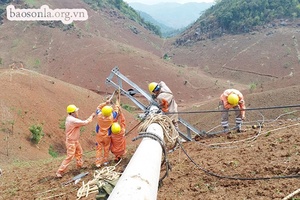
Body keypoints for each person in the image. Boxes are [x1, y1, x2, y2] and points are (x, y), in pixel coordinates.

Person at [56, 105, 95, 178]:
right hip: (71, 141)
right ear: (73, 112)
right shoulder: (73, 120)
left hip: (74, 140)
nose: (77, 112)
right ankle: (60, 171)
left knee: (79, 152)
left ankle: (79, 166)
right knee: (70, 156)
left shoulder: (70, 118)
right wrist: (92, 116)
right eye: (76, 111)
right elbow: (85, 122)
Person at [95, 100, 120, 167]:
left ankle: (98, 163)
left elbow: (98, 107)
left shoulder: (99, 115)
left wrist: (105, 103)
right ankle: (105, 161)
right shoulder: (111, 117)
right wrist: (116, 105)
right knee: (106, 148)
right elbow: (116, 111)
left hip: (99, 135)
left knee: (99, 149)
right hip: (107, 136)